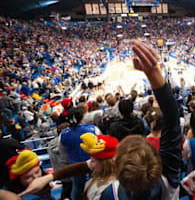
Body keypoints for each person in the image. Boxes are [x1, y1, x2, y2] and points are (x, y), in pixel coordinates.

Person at [19, 40, 182, 200]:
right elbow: (172, 116)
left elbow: (87, 166)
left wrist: (49, 177)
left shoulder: (108, 194)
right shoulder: (169, 179)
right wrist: (154, 72)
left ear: (117, 171)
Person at [60, 107, 102, 200]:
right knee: (97, 184)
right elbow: (100, 143)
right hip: (92, 162)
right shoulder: (93, 129)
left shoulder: (63, 134)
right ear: (82, 117)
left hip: (75, 163)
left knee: (77, 187)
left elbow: (62, 152)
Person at [80, 133, 118, 200]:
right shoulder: (101, 173)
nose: (90, 163)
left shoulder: (109, 189)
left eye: (93, 161)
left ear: (105, 164)